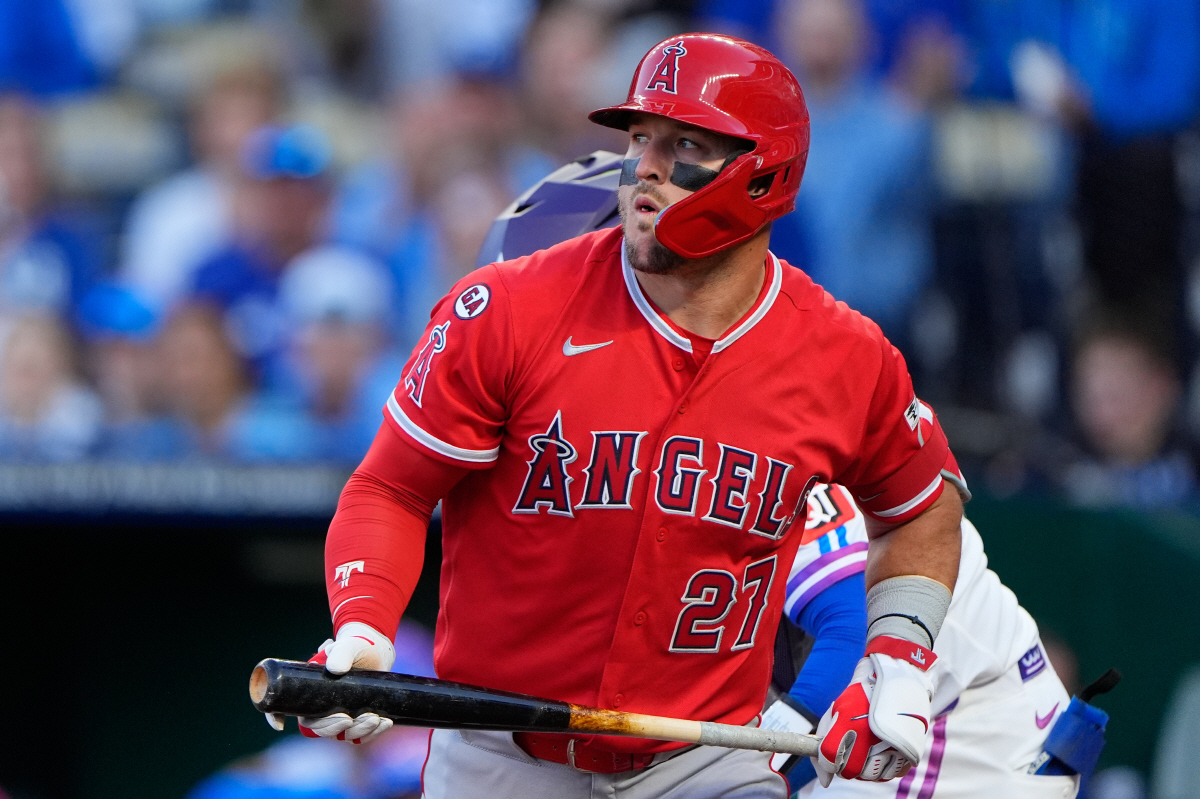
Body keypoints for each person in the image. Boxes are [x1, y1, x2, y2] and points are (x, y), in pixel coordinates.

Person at [267, 35, 968, 797]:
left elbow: (920, 509)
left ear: (765, 174)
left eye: (686, 144)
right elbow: (392, 488)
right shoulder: (507, 308)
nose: (648, 169)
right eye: (640, 139)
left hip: (705, 760)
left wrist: (899, 662)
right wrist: (365, 624)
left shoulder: (843, 354)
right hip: (504, 751)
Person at [766, 482, 1080, 798]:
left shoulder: (786, 480)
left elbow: (851, 638)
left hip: (968, 731)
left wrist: (751, 773)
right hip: (915, 718)